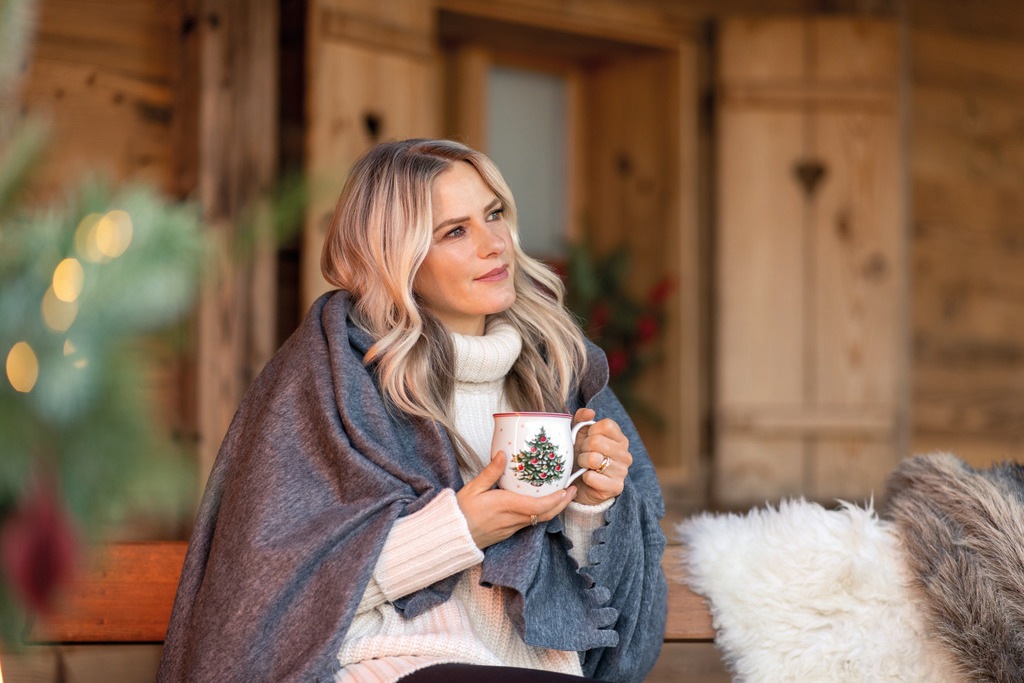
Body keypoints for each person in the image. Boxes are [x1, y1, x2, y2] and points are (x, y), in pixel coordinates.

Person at [158, 139, 667, 683]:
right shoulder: (332, 377)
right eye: (454, 231)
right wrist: (459, 530)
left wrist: (589, 506)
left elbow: (611, 616)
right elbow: (271, 593)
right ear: (393, 256)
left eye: (493, 214)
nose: (494, 244)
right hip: (386, 664)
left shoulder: (560, 370)